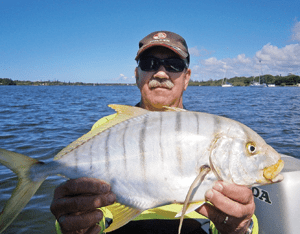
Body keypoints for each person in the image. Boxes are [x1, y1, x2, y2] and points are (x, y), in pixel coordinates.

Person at [50, 31, 257, 234]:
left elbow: (240, 221)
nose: (160, 73)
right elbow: (86, 214)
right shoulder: (106, 128)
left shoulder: (208, 133)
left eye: (174, 65)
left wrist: (240, 229)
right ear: (136, 75)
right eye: (149, 63)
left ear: (187, 78)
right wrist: (73, 226)